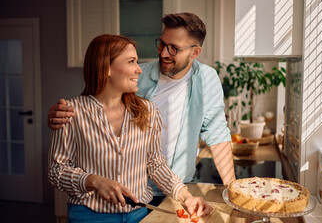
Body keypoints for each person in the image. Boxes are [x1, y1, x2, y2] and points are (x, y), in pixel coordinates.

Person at [48, 12, 235, 204]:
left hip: (175, 187)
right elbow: (97, 103)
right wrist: (63, 114)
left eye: (174, 49)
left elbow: (217, 132)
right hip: (130, 190)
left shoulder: (207, 79)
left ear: (195, 52)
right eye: (162, 44)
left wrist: (233, 191)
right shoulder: (137, 75)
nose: (163, 53)